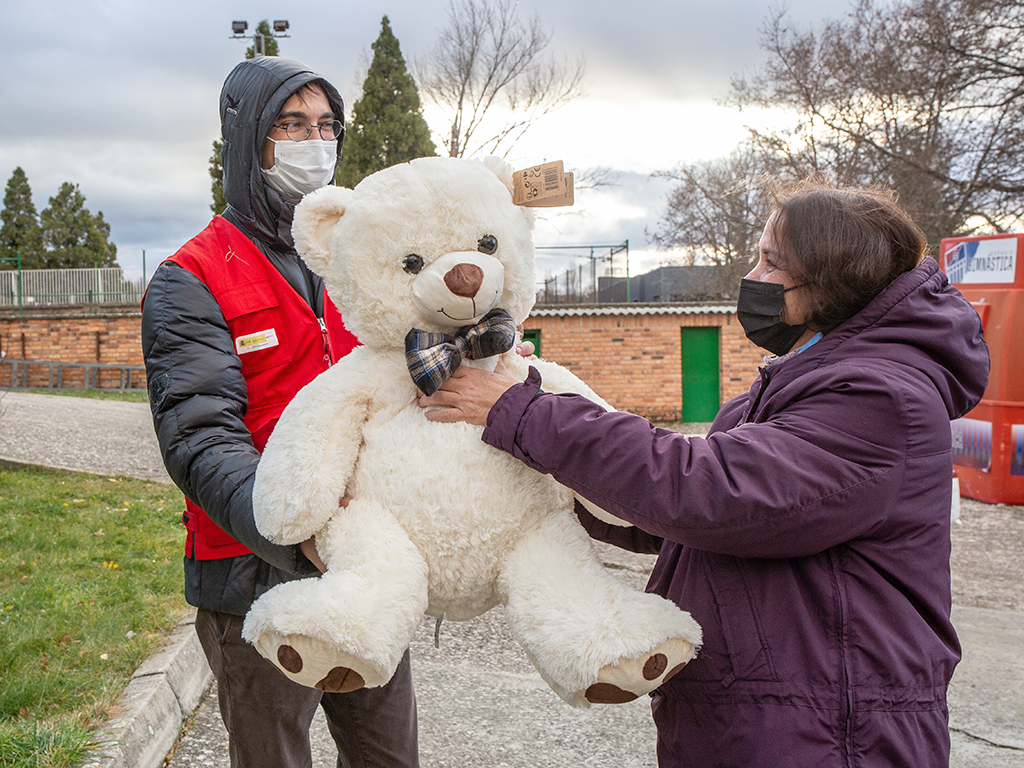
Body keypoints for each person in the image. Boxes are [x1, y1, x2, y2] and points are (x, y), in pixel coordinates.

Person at [418, 180, 989, 767]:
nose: (754, 275)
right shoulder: (798, 380)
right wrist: (542, 455)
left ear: (827, 283)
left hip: (831, 730)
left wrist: (527, 415)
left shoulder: (877, 397)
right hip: (767, 714)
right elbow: (674, 518)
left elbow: (713, 491)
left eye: (771, 261)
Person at [141, 56, 419, 768]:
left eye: (326, 126)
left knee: (389, 755)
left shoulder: (353, 261)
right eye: (292, 124)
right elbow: (200, 438)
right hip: (253, 577)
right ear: (248, 137)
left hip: (364, 570)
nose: (313, 142)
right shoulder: (192, 277)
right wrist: (299, 532)